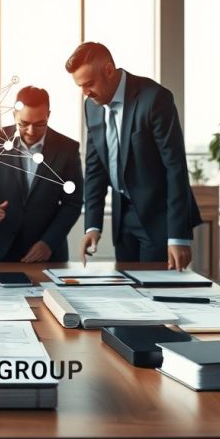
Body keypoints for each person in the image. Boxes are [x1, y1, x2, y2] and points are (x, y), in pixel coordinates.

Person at [66, 42, 201, 269]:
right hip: (123, 218)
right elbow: (94, 168)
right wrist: (93, 226)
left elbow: (175, 167)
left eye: (89, 84)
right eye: (80, 87)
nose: (85, 93)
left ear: (108, 70)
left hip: (159, 218)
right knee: (128, 292)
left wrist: (177, 236)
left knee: (156, 294)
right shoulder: (92, 106)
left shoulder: (155, 98)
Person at [0, 86, 83, 262]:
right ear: (14, 115)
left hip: (47, 252)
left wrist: (48, 242)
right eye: (23, 123)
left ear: (49, 115)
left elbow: (73, 203)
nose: (31, 131)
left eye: (39, 124)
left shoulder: (67, 149)